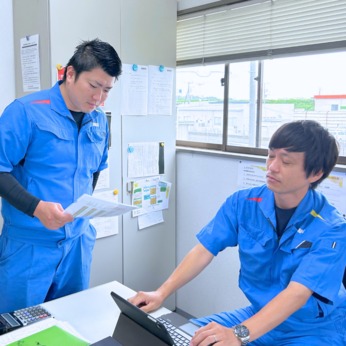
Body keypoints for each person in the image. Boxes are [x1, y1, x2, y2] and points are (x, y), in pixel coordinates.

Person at [129, 120, 346, 345]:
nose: (272, 167)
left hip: (314, 329)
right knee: (183, 338)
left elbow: (297, 294)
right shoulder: (244, 202)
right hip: (257, 314)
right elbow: (204, 249)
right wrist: (161, 293)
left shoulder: (332, 229)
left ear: (315, 173)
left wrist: (239, 334)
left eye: (286, 161)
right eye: (271, 156)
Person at [0, 38, 122, 313]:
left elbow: (94, 170)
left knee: (70, 322)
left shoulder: (99, 119)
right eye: (94, 86)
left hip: (77, 244)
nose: (99, 98)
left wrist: (83, 206)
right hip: (29, 246)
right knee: (18, 330)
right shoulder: (26, 111)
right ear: (70, 74)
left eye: (107, 90)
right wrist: (36, 207)